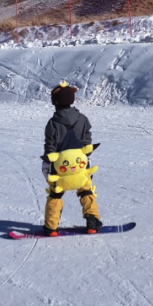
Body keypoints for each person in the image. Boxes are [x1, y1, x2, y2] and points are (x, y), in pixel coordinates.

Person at [41, 81, 101, 236]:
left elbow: (50, 146)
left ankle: (51, 227)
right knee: (86, 190)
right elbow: (87, 140)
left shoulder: (53, 123)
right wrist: (86, 159)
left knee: (55, 194)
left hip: (60, 168)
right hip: (80, 165)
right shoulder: (82, 119)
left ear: (55, 102)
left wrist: (49, 164)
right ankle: (92, 221)